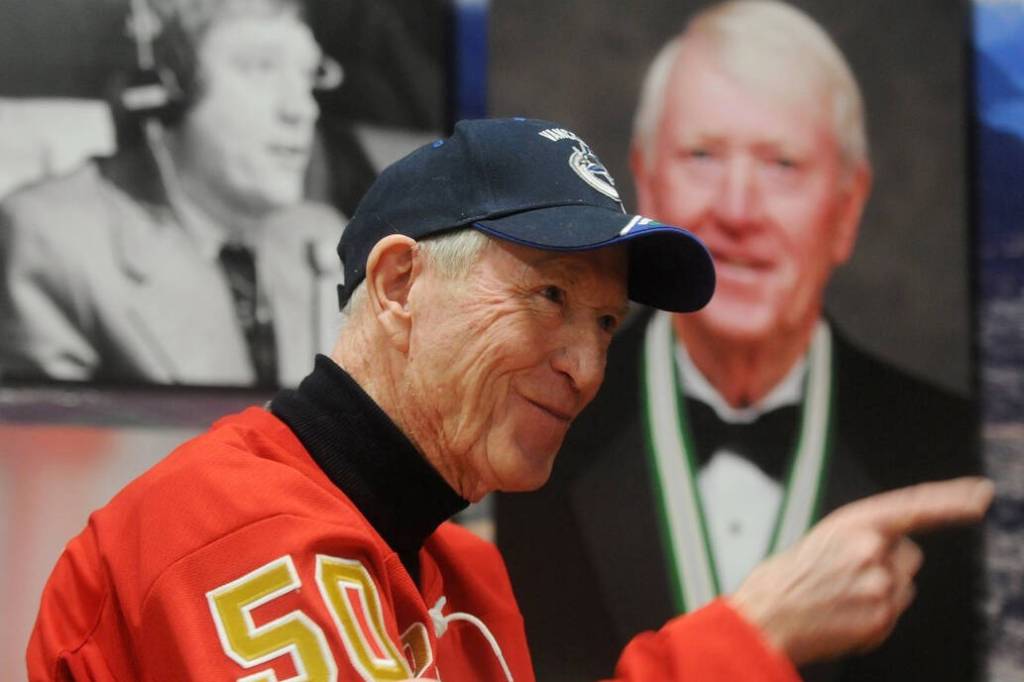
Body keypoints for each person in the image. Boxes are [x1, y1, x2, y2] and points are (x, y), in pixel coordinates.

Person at [25, 117, 993, 681]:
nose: (586, 366)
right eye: (549, 298)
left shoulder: (462, 572)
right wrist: (751, 635)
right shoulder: (230, 528)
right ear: (398, 284)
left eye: (606, 323)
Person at [495, 3, 984, 681]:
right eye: (702, 156)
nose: (737, 210)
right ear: (647, 180)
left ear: (847, 207)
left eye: (783, 164)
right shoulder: (524, 440)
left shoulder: (953, 451)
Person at [0, 0, 345, 388]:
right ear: (166, 83)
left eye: (307, 76)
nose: (301, 109)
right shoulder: (50, 243)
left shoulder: (325, 241)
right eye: (261, 68)